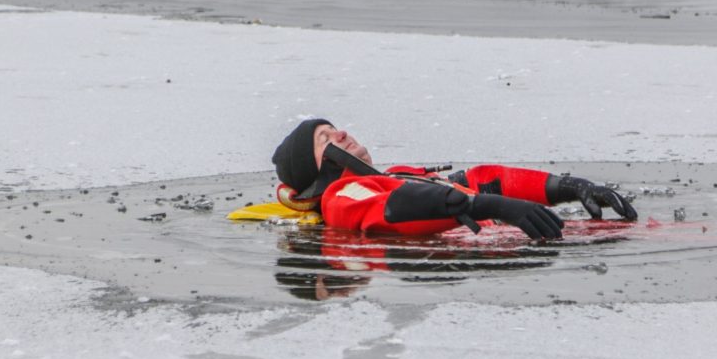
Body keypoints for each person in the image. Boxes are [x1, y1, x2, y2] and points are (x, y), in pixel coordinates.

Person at [272, 118, 636, 240]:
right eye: (325, 139)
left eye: (334, 128)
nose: (340, 133)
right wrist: (484, 207)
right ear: (317, 169)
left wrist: (570, 187)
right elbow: (390, 210)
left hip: (510, 233)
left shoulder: (397, 175)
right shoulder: (341, 195)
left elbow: (482, 180)